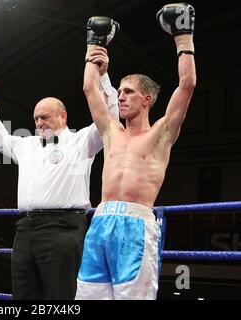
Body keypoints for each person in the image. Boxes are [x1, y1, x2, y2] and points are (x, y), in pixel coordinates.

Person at [76, 3, 196, 300]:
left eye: (127, 92)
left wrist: (183, 37)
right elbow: (90, 88)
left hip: (136, 227)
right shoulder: (111, 131)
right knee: (87, 296)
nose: (120, 96)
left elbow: (188, 84)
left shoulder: (162, 133)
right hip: (101, 221)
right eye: (119, 91)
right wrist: (94, 44)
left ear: (146, 100)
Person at [0, 53, 119, 299]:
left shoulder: (82, 141)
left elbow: (109, 119)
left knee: (60, 298)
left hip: (63, 230)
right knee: (23, 296)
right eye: (35, 118)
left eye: (44, 117)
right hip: (24, 230)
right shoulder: (27, 144)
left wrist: (102, 76)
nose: (39, 122)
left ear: (62, 117)